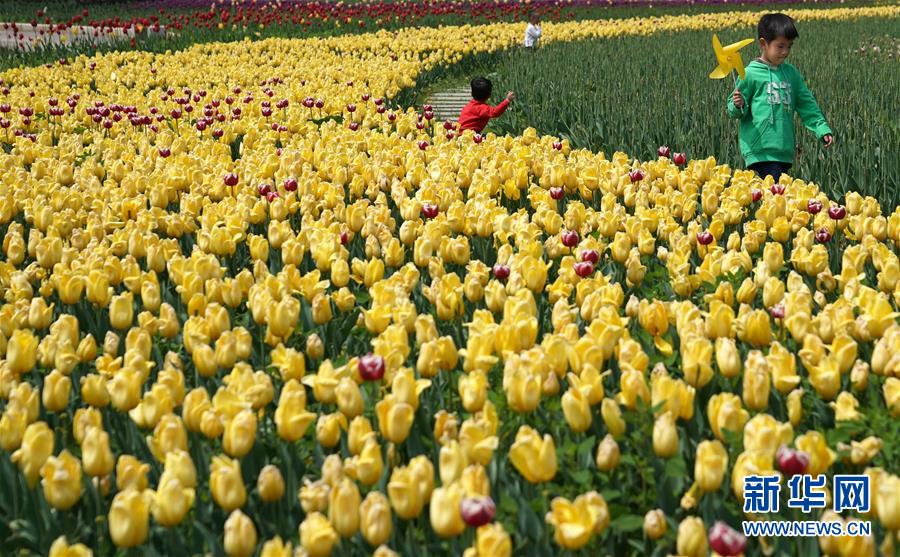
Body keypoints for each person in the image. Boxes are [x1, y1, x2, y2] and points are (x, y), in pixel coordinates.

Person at [728, 13, 834, 183]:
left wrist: (821, 128)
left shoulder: (791, 74)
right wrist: (738, 104)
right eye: (780, 46)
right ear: (763, 44)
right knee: (776, 196)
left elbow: (807, 103)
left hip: (784, 151)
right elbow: (735, 110)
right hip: (759, 150)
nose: (785, 52)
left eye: (789, 46)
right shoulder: (749, 73)